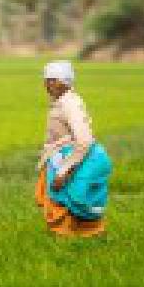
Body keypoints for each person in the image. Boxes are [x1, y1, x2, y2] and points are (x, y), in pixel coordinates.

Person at [35, 61, 111, 237]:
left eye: (54, 80)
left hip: (69, 160)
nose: (48, 85)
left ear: (66, 82)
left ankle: (67, 241)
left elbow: (84, 139)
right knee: (68, 203)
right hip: (62, 158)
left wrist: (65, 170)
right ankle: (85, 238)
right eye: (47, 80)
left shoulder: (70, 104)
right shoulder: (63, 101)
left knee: (61, 202)